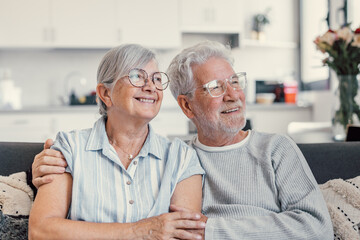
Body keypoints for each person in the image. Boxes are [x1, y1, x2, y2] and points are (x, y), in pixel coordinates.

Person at [32, 41, 333, 239]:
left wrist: (210, 230)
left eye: (235, 82)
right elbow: (43, 228)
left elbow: (316, 228)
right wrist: (45, 163)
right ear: (187, 106)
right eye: (215, 87)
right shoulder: (181, 156)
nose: (233, 95)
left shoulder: (273, 150)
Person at [29, 44, 205, 240]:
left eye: (156, 78)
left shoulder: (182, 158)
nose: (150, 87)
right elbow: (41, 231)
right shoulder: (70, 148)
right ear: (105, 94)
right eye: (137, 76)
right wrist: (139, 231)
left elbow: (185, 234)